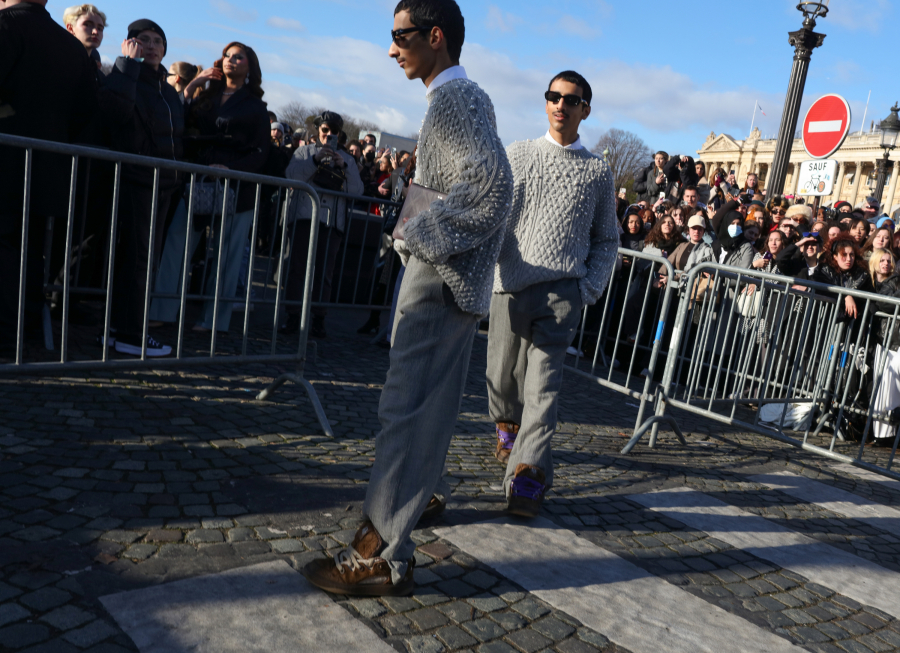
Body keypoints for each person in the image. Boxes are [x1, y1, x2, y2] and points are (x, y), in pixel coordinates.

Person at [302, 0, 513, 597]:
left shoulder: (455, 99)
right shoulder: (459, 98)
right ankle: (389, 535)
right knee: (425, 409)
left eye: (400, 36)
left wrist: (415, 234)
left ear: (435, 36)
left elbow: (493, 187)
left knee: (406, 407)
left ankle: (383, 552)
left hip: (439, 276)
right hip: (449, 276)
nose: (392, 48)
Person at [486, 70, 617, 515]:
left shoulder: (598, 171)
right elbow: (498, 215)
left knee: (542, 392)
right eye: (553, 96)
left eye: (571, 99)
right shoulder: (519, 154)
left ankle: (527, 476)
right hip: (510, 287)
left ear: (585, 109)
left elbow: (608, 239)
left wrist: (588, 287)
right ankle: (506, 426)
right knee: (502, 378)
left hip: (562, 294)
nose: (561, 104)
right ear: (546, 103)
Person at [149, 41, 270, 333]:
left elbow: (261, 152)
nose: (230, 60)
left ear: (250, 66)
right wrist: (194, 84)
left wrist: (232, 170)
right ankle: (162, 310)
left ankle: (215, 320)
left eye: (238, 57)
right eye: (227, 56)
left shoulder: (256, 107)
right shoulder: (205, 95)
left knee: (227, 254)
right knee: (177, 242)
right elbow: (179, 119)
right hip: (199, 178)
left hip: (238, 187)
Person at [0, 0, 99, 356]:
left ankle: (7, 333)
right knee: (30, 249)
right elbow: (86, 110)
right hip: (48, 167)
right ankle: (24, 328)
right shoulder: (71, 46)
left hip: (6, 159)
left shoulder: (6, 26)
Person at [99, 19, 184, 356]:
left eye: (157, 41)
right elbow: (114, 111)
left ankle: (122, 329)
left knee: (143, 260)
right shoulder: (126, 74)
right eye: (142, 40)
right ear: (128, 44)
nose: (150, 46)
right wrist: (127, 65)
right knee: (137, 261)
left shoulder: (167, 88)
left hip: (164, 183)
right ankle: (131, 335)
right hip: (137, 179)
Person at [281, 111, 364, 337]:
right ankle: (293, 316)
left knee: (324, 273)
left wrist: (344, 168)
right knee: (297, 268)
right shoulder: (304, 151)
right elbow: (291, 176)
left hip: (331, 223)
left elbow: (358, 192)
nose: (328, 135)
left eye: (333, 132)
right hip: (304, 218)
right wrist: (315, 161)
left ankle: (318, 319)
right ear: (318, 130)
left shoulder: (348, 159)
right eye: (325, 130)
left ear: (340, 134)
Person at [63, 3, 105, 71]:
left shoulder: (94, 72)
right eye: (87, 25)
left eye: (100, 28)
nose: (95, 32)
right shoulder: (58, 62)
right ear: (70, 28)